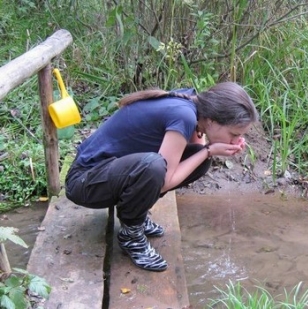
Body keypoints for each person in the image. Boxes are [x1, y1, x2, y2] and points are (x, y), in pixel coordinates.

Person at [65, 82, 259, 272]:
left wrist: (207, 151)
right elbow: (165, 181)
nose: (236, 140)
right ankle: (131, 235)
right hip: (84, 182)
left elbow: (195, 149)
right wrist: (208, 151)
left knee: (197, 159)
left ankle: (136, 217)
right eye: (234, 134)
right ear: (212, 120)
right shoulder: (184, 115)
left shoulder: (193, 105)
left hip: (109, 173)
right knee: (155, 167)